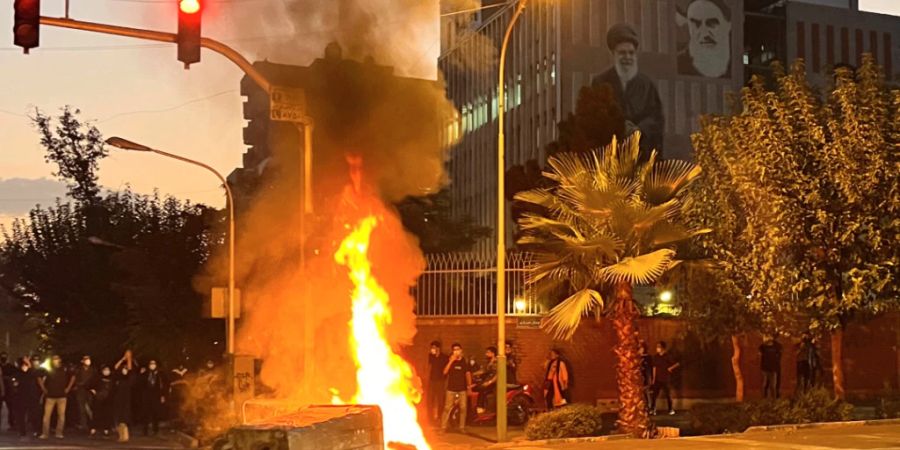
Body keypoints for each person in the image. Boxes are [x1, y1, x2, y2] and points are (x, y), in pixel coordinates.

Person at [592, 23, 665, 160]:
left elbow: (656, 119)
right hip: (609, 158)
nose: (627, 57)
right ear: (613, 54)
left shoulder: (647, 85)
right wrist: (620, 126)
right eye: (622, 53)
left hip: (640, 157)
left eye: (631, 53)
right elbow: (594, 117)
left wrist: (638, 130)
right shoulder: (600, 82)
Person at [677, 0, 732, 78]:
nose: (704, 33)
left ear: (728, 25)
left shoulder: (738, 66)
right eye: (696, 24)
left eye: (712, 23)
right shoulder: (677, 64)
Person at [38, 355, 74, 439]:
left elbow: (73, 376)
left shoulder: (64, 369)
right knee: (46, 416)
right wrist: (44, 389)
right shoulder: (48, 369)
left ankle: (59, 432)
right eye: (54, 359)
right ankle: (45, 433)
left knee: (61, 416)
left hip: (62, 396)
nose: (55, 360)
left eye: (57, 359)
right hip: (50, 396)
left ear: (60, 360)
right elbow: (39, 378)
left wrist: (68, 388)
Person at [440, 343, 472, 433]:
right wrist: (451, 361)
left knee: (463, 408)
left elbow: (468, 374)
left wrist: (469, 387)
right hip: (451, 388)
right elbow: (445, 372)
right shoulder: (450, 360)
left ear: (461, 350)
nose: (456, 351)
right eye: (454, 349)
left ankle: (462, 427)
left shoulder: (464, 361)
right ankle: (443, 427)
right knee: (447, 408)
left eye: (458, 349)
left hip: (462, 389)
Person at [10, 357, 41, 440]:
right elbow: (14, 387)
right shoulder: (17, 375)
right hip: (20, 399)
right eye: (24, 365)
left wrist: (29, 365)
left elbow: (36, 374)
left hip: (31, 398)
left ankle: (37, 430)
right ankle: (22, 432)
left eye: (26, 365)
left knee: (34, 415)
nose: (25, 367)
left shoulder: (31, 374)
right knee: (21, 417)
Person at [651, 341, 680, 416]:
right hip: (657, 379)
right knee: (654, 395)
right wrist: (653, 379)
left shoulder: (667, 356)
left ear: (663, 348)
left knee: (668, 395)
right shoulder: (656, 357)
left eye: (659, 347)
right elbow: (654, 367)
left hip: (666, 379)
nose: (657, 348)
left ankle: (670, 409)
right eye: (657, 347)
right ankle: (653, 409)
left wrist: (670, 368)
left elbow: (677, 364)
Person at [113, 350, 136, 442]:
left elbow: (130, 369)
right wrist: (123, 358)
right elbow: (115, 367)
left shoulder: (129, 378)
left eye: (126, 369)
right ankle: (120, 435)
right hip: (118, 398)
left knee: (124, 418)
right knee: (118, 417)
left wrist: (129, 358)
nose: (124, 370)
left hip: (126, 399)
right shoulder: (118, 377)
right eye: (124, 368)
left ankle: (125, 436)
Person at [140, 359, 166, 436]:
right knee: (146, 414)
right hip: (147, 396)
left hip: (156, 396)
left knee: (155, 414)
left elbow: (163, 386)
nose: (152, 365)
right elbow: (140, 384)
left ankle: (155, 430)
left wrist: (162, 396)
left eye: (154, 364)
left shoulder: (159, 374)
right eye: (151, 363)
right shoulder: (145, 373)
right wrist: (141, 374)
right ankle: (145, 430)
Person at [426, 341, 449, 424]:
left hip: (440, 381)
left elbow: (446, 370)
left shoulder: (444, 357)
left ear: (438, 348)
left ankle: (439, 417)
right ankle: (430, 418)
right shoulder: (431, 356)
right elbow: (429, 367)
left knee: (440, 400)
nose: (432, 349)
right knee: (430, 399)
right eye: (431, 348)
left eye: (434, 347)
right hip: (432, 381)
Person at [90, 365, 115, 437]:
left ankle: (106, 430)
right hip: (98, 399)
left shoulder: (111, 379)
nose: (106, 371)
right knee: (96, 414)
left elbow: (114, 389)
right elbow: (90, 385)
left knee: (107, 415)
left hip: (108, 400)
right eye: (105, 370)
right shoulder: (97, 378)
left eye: (108, 370)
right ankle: (93, 429)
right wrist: (94, 392)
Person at [73, 355, 96, 431]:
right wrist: (79, 384)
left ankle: (92, 424)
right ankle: (84, 425)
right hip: (80, 391)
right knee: (81, 409)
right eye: (86, 359)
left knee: (90, 408)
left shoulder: (93, 370)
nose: (88, 361)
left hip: (89, 391)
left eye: (89, 359)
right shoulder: (79, 370)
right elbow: (75, 379)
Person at [472, 347, 498, 414]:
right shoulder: (489, 362)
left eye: (488, 352)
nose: (486, 354)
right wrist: (473, 374)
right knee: (474, 387)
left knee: (482, 388)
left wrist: (489, 382)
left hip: (493, 383)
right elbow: (483, 370)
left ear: (493, 353)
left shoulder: (496, 362)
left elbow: (497, 375)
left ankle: (480, 407)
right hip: (487, 381)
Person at [1, 352, 16, 431]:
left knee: (11, 408)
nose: (3, 358)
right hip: (1, 390)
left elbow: (15, 376)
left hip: (9, 390)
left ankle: (11, 423)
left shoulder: (10, 367)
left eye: (4, 357)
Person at [639, 341, 654, 413]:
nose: (639, 349)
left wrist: (650, 378)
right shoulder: (637, 357)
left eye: (641, 348)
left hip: (645, 377)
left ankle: (649, 407)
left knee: (646, 392)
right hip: (638, 378)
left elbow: (650, 368)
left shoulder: (648, 357)